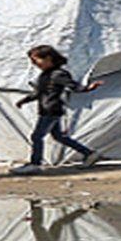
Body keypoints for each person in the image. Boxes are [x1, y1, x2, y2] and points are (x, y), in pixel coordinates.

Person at [9, 45, 103, 175]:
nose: (35, 64)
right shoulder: (45, 75)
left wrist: (88, 88)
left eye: (36, 60)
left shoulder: (58, 74)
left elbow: (74, 86)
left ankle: (35, 163)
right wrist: (24, 100)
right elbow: (39, 93)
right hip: (46, 109)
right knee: (58, 136)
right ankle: (89, 153)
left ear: (48, 58)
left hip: (51, 110)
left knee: (37, 136)